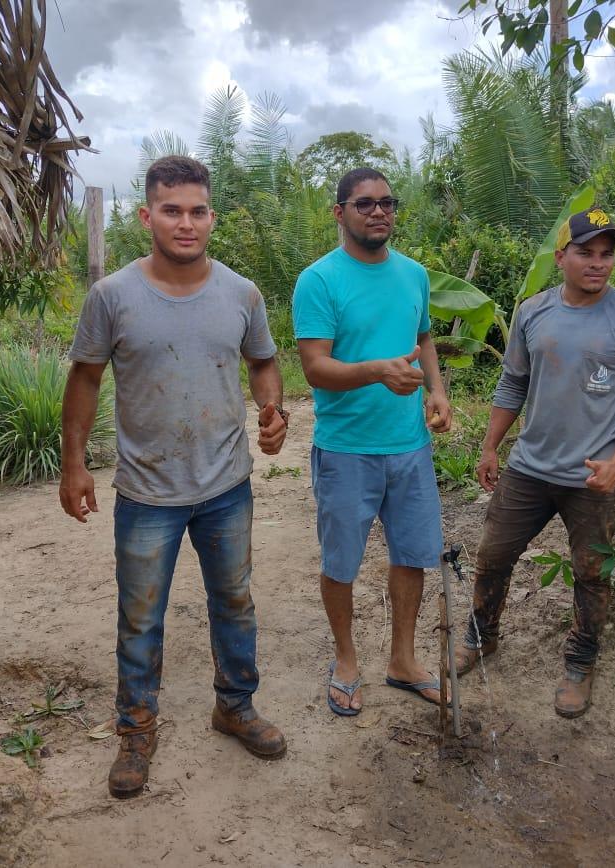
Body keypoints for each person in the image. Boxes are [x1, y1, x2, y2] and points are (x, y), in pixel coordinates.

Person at [60, 156, 290, 799]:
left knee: (235, 601)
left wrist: (273, 414)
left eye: (196, 211)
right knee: (139, 617)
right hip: (146, 491)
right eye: (171, 210)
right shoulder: (112, 296)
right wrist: (73, 463)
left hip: (225, 486)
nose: (185, 223)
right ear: (147, 216)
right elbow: (84, 378)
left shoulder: (241, 293)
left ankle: (235, 707)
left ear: (211, 216)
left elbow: (265, 362)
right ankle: (136, 729)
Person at [454, 207, 615, 719]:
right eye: (586, 253)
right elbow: (513, 383)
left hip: (594, 477)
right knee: (493, 555)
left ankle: (581, 661)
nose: (598, 264)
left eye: (607, 255)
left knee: (591, 572)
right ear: (561, 257)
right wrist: (490, 446)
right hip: (530, 467)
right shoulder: (533, 312)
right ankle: (482, 635)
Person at [293, 167, 452, 717]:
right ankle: (345, 660)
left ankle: (403, 661)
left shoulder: (414, 275)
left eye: (387, 202)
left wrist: (436, 390)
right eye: (364, 204)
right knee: (342, 562)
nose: (378, 211)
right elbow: (315, 368)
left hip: (408, 446)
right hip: (346, 449)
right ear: (340, 212)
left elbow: (424, 336)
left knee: (412, 555)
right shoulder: (319, 280)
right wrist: (377, 372)